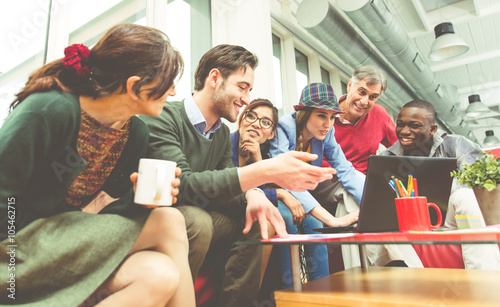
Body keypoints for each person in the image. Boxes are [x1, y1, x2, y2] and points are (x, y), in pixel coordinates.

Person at [0, 24, 196, 307]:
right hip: (17, 253)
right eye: (168, 82)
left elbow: (103, 212)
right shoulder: (48, 110)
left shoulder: (135, 134)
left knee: (160, 274)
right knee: (170, 221)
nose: (175, 92)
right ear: (133, 86)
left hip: (66, 239)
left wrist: (139, 200)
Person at [139, 44, 336, 307]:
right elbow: (185, 187)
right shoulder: (164, 117)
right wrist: (263, 172)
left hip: (201, 216)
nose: (246, 98)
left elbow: (224, 186)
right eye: (242, 87)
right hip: (163, 216)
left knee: (260, 220)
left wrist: (253, 196)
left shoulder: (219, 132)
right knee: (199, 220)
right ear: (214, 78)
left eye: (249, 90)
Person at [382, 99, 500, 270]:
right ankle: (416, 280)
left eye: (414, 125)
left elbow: (482, 187)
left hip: (450, 219)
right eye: (400, 125)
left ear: (432, 129)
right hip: (409, 224)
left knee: (466, 196)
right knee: (381, 220)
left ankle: (484, 276)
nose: (404, 131)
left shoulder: (456, 144)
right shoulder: (387, 157)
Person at [327, 65, 397, 174]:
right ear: (350, 85)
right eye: (362, 92)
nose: (364, 101)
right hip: (328, 180)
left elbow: (401, 146)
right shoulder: (325, 114)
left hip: (363, 182)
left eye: (372, 97)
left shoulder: (379, 115)